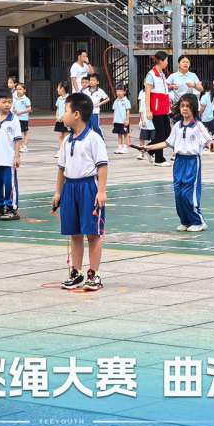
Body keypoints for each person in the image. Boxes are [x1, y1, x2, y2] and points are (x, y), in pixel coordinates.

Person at [53, 92, 108, 292]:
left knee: (92, 233)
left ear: (76, 114)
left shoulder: (94, 139)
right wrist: (58, 192)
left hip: (88, 188)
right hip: (70, 187)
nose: (62, 115)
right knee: (74, 233)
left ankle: (94, 274)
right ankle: (76, 273)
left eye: (65, 111)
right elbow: (61, 168)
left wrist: (101, 191)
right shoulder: (67, 141)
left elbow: (102, 165)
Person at [142, 94, 214, 233]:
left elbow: (208, 141)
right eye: (182, 106)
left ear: (193, 108)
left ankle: (198, 222)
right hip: (179, 162)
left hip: (192, 162)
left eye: (188, 106)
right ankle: (185, 221)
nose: (184, 109)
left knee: (188, 194)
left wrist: (212, 146)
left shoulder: (198, 126)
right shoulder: (177, 126)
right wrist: (149, 147)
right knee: (178, 193)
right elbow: (167, 143)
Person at [0, 89, 23, 221]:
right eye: (4, 102)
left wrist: (17, 156)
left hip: (9, 160)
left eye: (9, 102)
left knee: (10, 185)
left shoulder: (14, 120)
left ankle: (12, 208)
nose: (7, 105)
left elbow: (17, 140)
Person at [144, 52, 174, 167]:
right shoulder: (151, 75)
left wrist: (171, 87)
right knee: (160, 133)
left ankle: (149, 149)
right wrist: (148, 110)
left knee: (167, 132)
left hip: (164, 107)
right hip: (156, 108)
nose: (167, 63)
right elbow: (147, 93)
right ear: (160, 61)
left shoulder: (161, 74)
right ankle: (159, 159)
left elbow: (162, 88)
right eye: (166, 60)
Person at [111, 86, 131, 154]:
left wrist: (127, 120)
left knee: (125, 134)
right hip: (117, 121)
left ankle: (125, 148)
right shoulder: (116, 101)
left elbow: (128, 111)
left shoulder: (126, 101)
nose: (119, 92)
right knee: (119, 134)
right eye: (117, 91)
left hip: (124, 121)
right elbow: (114, 111)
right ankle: (119, 147)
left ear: (124, 92)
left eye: (121, 91)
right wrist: (113, 120)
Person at [52, 82, 70, 158]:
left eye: (58, 88)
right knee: (60, 136)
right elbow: (58, 109)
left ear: (62, 89)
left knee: (66, 136)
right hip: (59, 120)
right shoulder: (59, 99)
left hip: (66, 120)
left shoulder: (69, 98)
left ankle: (66, 151)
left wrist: (64, 117)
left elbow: (68, 110)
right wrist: (57, 116)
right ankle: (60, 151)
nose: (57, 89)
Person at [13, 83, 32, 152]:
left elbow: (29, 108)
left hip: (23, 118)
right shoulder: (15, 99)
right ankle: (19, 145)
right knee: (18, 132)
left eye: (20, 89)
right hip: (16, 118)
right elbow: (13, 108)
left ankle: (25, 146)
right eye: (17, 89)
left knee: (25, 132)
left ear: (24, 90)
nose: (18, 91)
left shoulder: (26, 99)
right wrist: (14, 110)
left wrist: (21, 112)